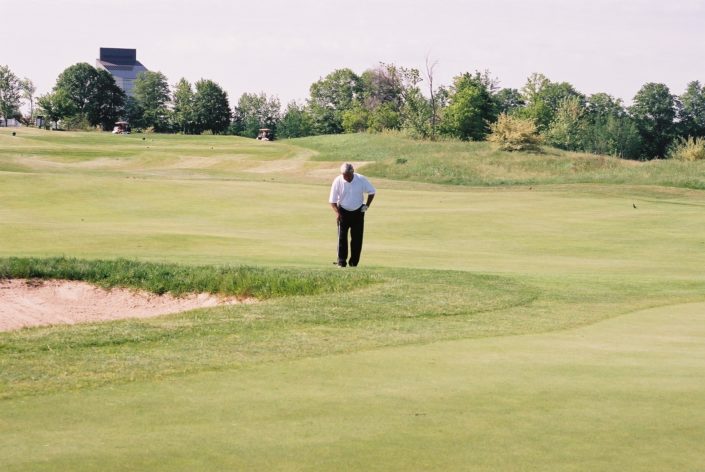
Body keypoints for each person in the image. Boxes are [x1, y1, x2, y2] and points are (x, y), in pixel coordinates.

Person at [329, 162, 376, 267]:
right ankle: (341, 262)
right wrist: (337, 213)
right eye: (344, 175)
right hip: (343, 212)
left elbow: (372, 192)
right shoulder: (338, 181)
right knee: (342, 238)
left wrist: (367, 206)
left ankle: (354, 263)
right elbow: (332, 201)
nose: (346, 178)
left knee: (357, 239)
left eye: (348, 175)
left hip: (358, 212)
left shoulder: (361, 179)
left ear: (352, 173)